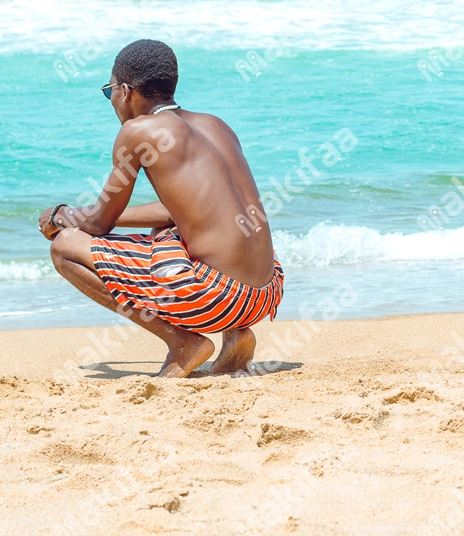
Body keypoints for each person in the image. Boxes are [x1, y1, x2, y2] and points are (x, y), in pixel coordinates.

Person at [40, 39, 283, 377]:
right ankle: (235, 336)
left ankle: (184, 343)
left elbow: (98, 223)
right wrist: (89, 216)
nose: (112, 103)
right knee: (171, 231)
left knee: (64, 248)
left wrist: (62, 217)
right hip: (265, 293)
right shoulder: (216, 124)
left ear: (126, 91)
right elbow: (181, 211)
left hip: (220, 297)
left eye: (110, 93)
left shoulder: (137, 131)